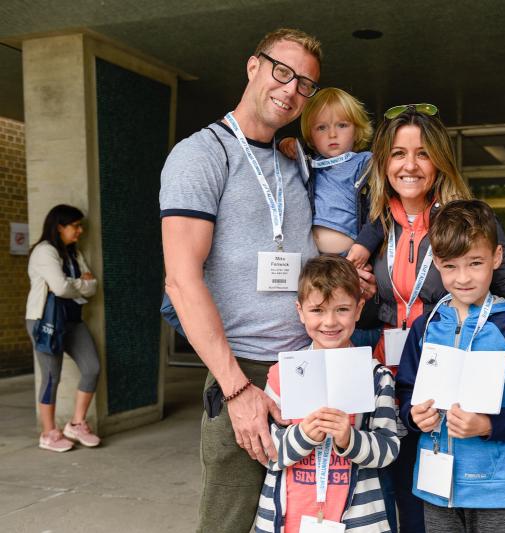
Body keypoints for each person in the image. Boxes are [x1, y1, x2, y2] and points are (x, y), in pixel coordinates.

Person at [160, 29, 372, 532]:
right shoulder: (201, 155)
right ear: (252, 66)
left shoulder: (293, 161)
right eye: (283, 72)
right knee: (230, 521)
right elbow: (181, 280)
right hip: (247, 370)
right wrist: (237, 391)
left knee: (315, 517)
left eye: (306, 85)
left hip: (312, 364)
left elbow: (312, 249)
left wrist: (349, 279)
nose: (292, 90)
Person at [350, 104, 505, 532]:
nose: (409, 165)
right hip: (386, 384)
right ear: (383, 161)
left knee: (424, 512)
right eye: (397, 153)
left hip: (443, 388)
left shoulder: (466, 222)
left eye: (423, 153)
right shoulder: (373, 219)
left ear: (441, 161)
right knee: (384, 503)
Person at [396, 199, 505, 532]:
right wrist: (412, 415)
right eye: (451, 266)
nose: (463, 277)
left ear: (496, 257)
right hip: (436, 488)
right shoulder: (425, 327)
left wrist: (488, 426)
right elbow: (406, 391)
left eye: (475, 263)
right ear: (437, 262)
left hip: (499, 491)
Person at [256, 256, 398, 533]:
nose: (330, 321)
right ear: (300, 311)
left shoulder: (377, 377)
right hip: (288, 518)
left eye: (342, 309)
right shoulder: (283, 373)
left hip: (359, 522)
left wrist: (349, 438)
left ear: (359, 309)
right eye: (318, 310)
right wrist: (304, 435)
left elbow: (389, 449)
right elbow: (267, 451)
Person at [25, 204, 101, 452]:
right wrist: (81, 284)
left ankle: (77, 423)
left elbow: (94, 286)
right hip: (45, 321)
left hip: (73, 320)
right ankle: (48, 433)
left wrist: (76, 284)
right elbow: (60, 288)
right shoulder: (44, 252)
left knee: (92, 367)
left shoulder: (74, 254)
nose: (80, 231)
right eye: (75, 226)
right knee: (50, 377)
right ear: (60, 227)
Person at [297, 87, 374, 255]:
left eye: (342, 125)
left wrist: (366, 245)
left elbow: (378, 210)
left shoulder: (365, 162)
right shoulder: (309, 164)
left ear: (357, 130)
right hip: (315, 260)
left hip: (351, 257)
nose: (332, 134)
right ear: (310, 136)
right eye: (321, 128)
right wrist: (286, 143)